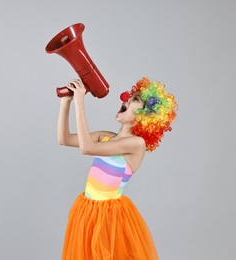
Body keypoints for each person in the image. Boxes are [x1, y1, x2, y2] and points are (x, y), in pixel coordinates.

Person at [57, 77, 177, 259]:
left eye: (134, 100)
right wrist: (66, 102)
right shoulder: (105, 137)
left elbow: (87, 148)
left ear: (143, 116)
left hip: (108, 218)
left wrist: (80, 102)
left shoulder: (136, 144)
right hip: (87, 211)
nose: (126, 99)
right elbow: (64, 139)